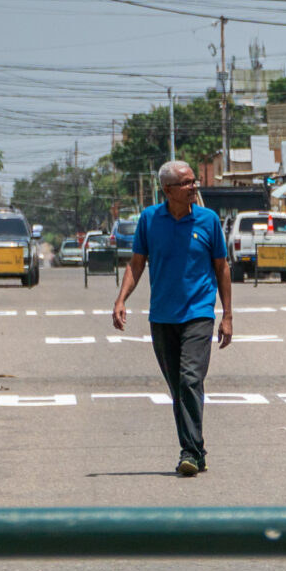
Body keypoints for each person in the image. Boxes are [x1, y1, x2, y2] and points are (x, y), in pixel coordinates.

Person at [111, 160, 232, 479]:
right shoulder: (150, 220)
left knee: (190, 379)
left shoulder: (208, 220)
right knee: (179, 387)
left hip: (199, 314)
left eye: (194, 181)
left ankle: (189, 452)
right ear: (168, 190)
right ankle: (198, 450)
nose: (194, 187)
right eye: (187, 183)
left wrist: (227, 316)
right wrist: (121, 299)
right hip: (162, 317)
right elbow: (136, 264)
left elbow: (222, 268)